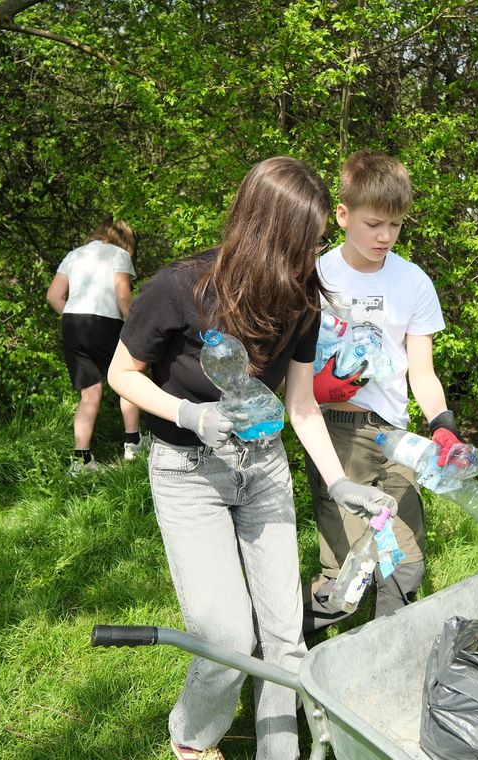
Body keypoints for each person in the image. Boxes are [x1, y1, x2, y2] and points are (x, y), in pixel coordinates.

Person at [106, 156, 397, 760]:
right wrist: (190, 415)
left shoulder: (303, 300)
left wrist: (339, 482)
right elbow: (121, 374)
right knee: (226, 636)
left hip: (263, 471)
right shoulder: (178, 287)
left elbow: (301, 404)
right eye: (305, 240)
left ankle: (279, 753)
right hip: (191, 477)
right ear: (266, 233)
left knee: (286, 639)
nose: (313, 254)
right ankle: (193, 740)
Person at [303, 150, 462, 633]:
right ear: (343, 215)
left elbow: (422, 371)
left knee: (406, 565)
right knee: (351, 578)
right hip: (335, 432)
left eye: (395, 225)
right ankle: (276, 648)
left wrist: (443, 427)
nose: (385, 237)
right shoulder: (314, 276)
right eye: (374, 224)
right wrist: (317, 389)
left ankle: (380, 663)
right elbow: (282, 367)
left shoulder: (413, 282)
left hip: (394, 437)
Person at [46, 216, 144, 474]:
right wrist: (135, 327)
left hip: (73, 323)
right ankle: (133, 445)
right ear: (125, 238)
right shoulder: (119, 254)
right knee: (128, 379)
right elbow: (123, 295)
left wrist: (74, 317)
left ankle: (81, 460)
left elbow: (53, 295)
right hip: (104, 321)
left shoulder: (74, 255)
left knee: (89, 393)